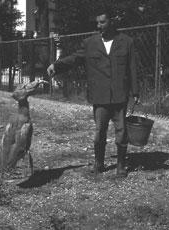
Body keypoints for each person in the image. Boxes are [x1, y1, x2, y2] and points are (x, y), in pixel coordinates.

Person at [47, 8, 140, 178]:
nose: (99, 26)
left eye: (103, 22)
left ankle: (121, 165)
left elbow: (132, 68)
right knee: (99, 132)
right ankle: (99, 163)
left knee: (121, 132)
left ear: (112, 22)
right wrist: (57, 65)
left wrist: (135, 92)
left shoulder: (126, 42)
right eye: (97, 22)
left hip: (119, 96)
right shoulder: (90, 43)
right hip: (100, 96)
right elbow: (74, 59)